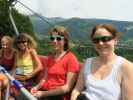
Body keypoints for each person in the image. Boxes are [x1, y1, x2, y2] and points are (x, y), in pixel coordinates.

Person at [71, 24, 133, 100]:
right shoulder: (87, 62)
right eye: (96, 40)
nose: (100, 43)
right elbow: (77, 89)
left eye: (105, 39)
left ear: (115, 40)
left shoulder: (126, 67)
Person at [30, 25, 80, 100]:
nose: (54, 41)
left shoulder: (71, 59)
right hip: (45, 91)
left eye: (58, 38)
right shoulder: (50, 57)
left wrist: (43, 94)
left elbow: (67, 87)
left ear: (65, 41)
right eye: (52, 38)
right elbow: (44, 78)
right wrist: (36, 87)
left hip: (58, 95)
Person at [0, 36, 16, 100]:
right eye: (3, 45)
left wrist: (10, 76)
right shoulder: (1, 51)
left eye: (7, 45)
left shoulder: (14, 52)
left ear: (10, 44)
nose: (5, 46)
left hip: (10, 72)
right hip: (3, 71)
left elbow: (15, 66)